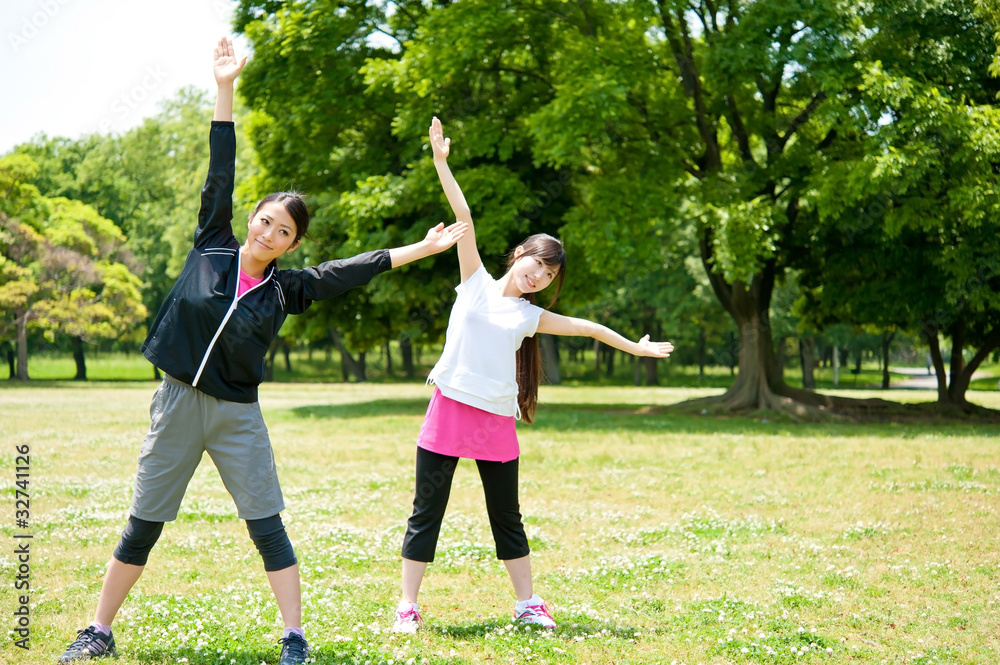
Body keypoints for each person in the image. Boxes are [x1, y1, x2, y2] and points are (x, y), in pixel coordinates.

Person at [57, 38, 467, 665]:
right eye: (267, 220)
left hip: (236, 416)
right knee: (144, 522)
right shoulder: (212, 244)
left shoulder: (286, 289)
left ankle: (294, 638)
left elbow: (352, 270)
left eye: (285, 231)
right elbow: (220, 166)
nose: (270, 232)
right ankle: (98, 630)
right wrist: (224, 87)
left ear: (292, 243)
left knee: (266, 524)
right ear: (251, 217)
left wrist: (423, 249)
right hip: (176, 403)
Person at [391, 117, 674, 634]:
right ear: (519, 254)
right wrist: (440, 162)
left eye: (548, 275)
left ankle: (527, 603)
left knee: (507, 516)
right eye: (536, 264)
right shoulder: (473, 280)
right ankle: (407, 605)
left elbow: (587, 327)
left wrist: (634, 345)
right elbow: (464, 214)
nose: (538, 277)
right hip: (449, 409)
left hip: (495, 420)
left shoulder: (529, 316)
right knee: (426, 511)